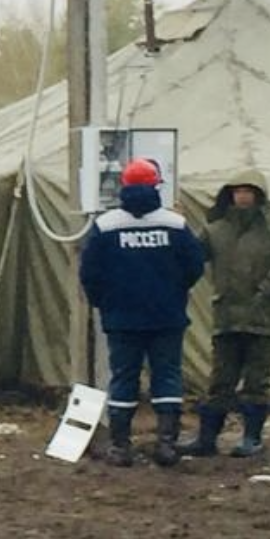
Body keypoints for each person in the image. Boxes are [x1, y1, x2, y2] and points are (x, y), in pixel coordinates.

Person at [79, 157, 206, 466]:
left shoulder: (106, 225)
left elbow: (89, 273)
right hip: (166, 317)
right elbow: (195, 266)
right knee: (167, 377)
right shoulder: (175, 224)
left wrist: (104, 303)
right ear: (155, 187)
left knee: (123, 378)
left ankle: (121, 447)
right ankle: (166, 444)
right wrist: (174, 292)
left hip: (121, 318)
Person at [180, 168, 270, 458]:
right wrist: (179, 226)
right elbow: (192, 256)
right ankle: (207, 438)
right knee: (221, 379)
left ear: (259, 195)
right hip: (227, 316)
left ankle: (252, 437)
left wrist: (267, 288)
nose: (243, 197)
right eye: (238, 191)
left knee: (257, 380)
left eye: (248, 191)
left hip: (262, 316)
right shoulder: (217, 229)